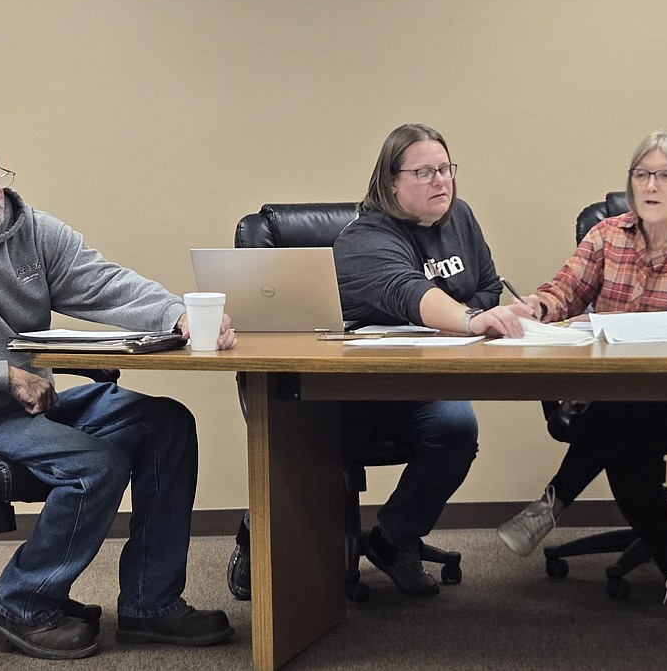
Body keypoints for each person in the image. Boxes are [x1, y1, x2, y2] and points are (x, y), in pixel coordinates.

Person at [0, 119, 237, 660]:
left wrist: (175, 313)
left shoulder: (28, 228)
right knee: (96, 463)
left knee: (167, 423)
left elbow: (103, 281)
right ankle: (20, 604)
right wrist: (1, 375)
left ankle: (149, 604)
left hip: (28, 402)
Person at [226, 123, 536, 600]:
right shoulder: (365, 237)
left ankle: (394, 540)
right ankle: (258, 533)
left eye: (446, 169)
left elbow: (489, 286)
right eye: (425, 172)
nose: (442, 182)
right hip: (346, 389)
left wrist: (471, 312)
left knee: (455, 431)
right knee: (305, 445)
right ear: (391, 182)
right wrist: (468, 320)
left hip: (420, 384)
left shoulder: (461, 219)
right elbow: (409, 292)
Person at [495, 129, 667, 623]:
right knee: (625, 427)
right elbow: (565, 289)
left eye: (666, 174)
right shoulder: (607, 235)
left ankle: (552, 501)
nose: (651, 184)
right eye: (641, 174)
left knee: (617, 419)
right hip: (618, 398)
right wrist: (536, 306)